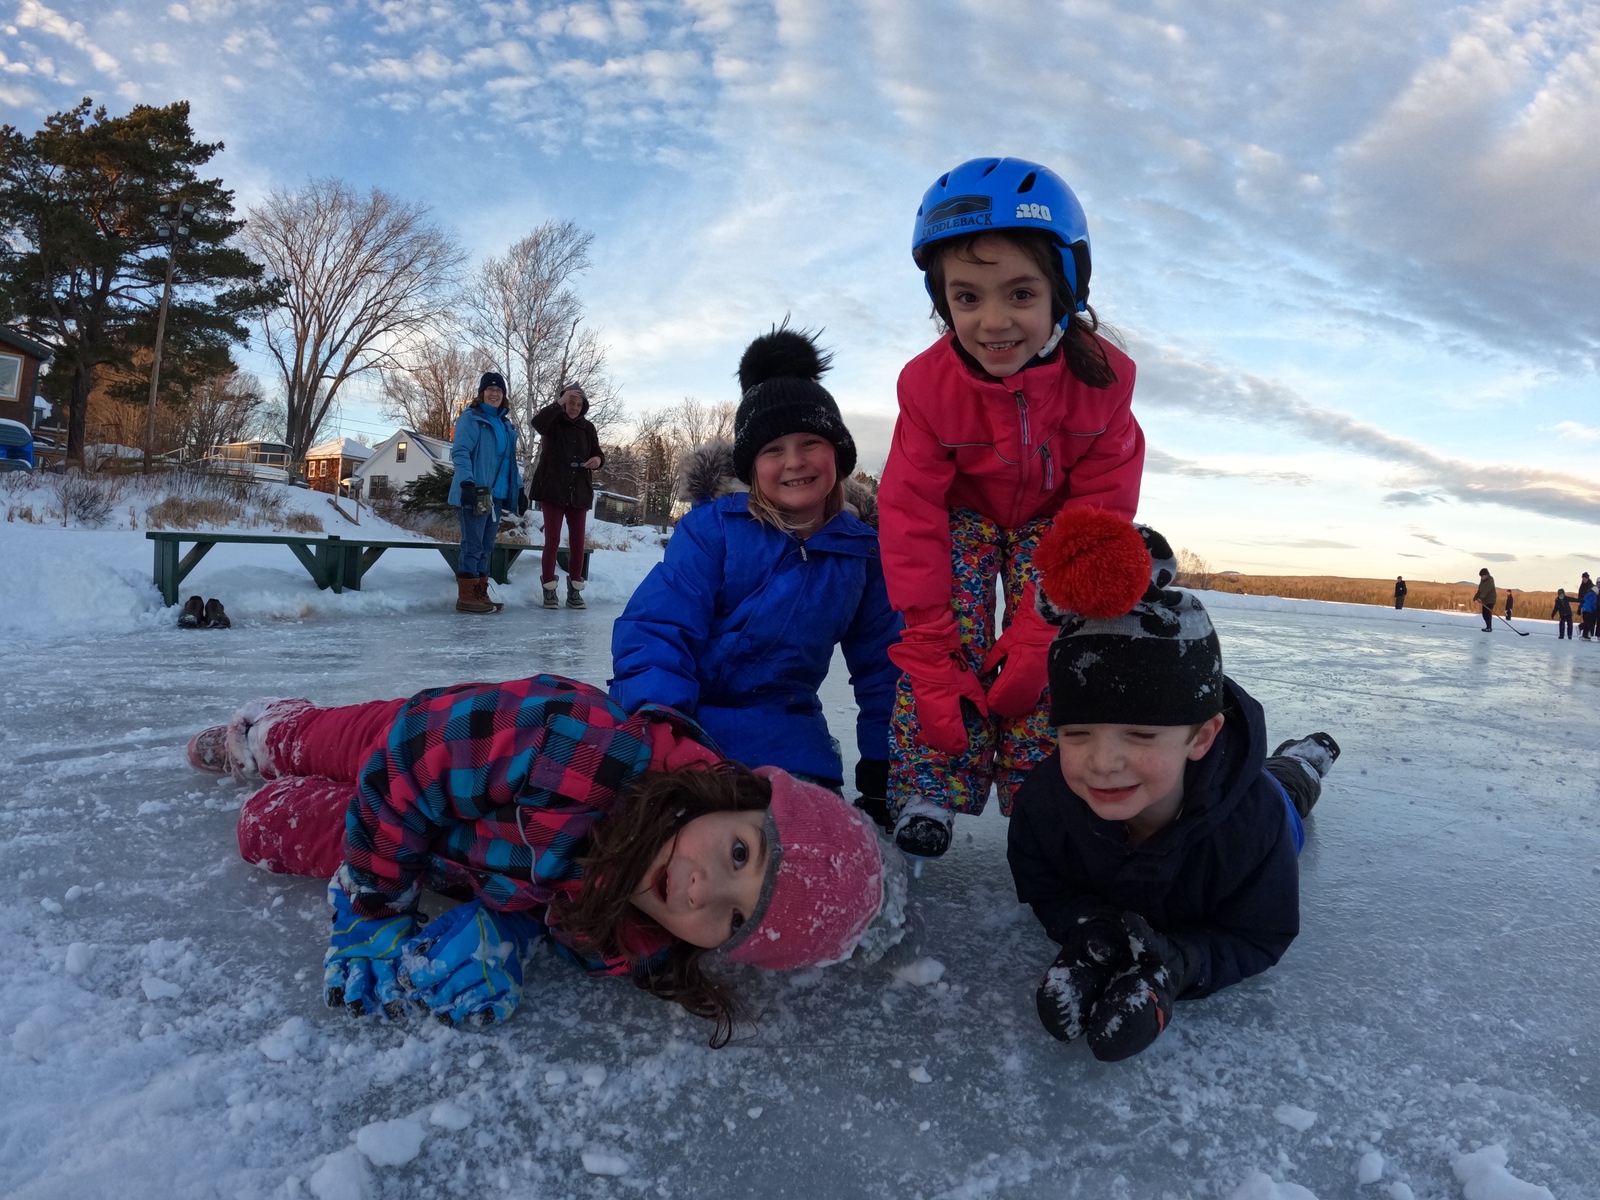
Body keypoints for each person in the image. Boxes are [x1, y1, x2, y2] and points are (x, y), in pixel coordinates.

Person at [182, 675, 907, 1045]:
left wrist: (510, 930)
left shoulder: (639, 936)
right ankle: (262, 730)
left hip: (445, 854)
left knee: (262, 830)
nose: (699, 890)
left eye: (733, 917)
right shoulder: (585, 745)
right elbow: (407, 763)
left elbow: (560, 911)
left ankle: (285, 785)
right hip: (426, 752)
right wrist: (372, 904)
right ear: (733, 796)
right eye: (738, 853)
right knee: (315, 745)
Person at [877, 156, 1144, 860]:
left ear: (1064, 288)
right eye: (967, 298)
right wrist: (933, 655)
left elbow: (1100, 514)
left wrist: (1038, 632)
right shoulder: (927, 387)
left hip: (1058, 526)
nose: (993, 321)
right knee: (949, 607)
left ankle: (1041, 784)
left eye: (1019, 293)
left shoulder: (1106, 384)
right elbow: (909, 515)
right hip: (960, 517)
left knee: (1061, 635)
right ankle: (932, 780)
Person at [1005, 509, 1339, 1062]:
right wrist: (1089, 930)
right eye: (1077, 733)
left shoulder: (1252, 825)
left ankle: (1306, 759)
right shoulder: (1046, 802)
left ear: (1202, 736)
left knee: (1287, 787)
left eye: (1139, 734)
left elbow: (1259, 936)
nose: (1103, 763)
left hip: (1260, 797)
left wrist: (1181, 962)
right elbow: (1047, 889)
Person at [610, 326, 901, 818]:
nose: (794, 462)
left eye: (811, 442)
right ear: (751, 466)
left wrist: (888, 765)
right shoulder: (713, 530)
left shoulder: (861, 554)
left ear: (839, 453)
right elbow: (658, 629)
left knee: (798, 849)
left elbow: (885, 664)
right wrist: (662, 729)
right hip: (688, 721)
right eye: (772, 450)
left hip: (786, 732)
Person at [449, 372, 522, 616]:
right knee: (473, 544)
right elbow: (460, 452)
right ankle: (467, 596)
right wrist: (466, 483)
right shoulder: (471, 418)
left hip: (496, 496)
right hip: (475, 492)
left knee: (486, 545)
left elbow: (510, 462)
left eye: (499, 391)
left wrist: (519, 489)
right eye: (490, 389)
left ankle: (480, 592)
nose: (494, 394)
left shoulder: (505, 426)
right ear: (482, 393)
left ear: (504, 396)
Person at [527, 384, 604, 610]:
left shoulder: (588, 428)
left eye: (579, 404)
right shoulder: (553, 421)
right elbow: (537, 423)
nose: (575, 407)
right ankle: (549, 590)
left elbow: (598, 453)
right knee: (552, 540)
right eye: (571, 402)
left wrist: (598, 461)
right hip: (553, 489)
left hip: (579, 491)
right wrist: (559, 403)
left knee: (578, 542)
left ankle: (575, 591)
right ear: (563, 401)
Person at [1473, 568, 1496, 633]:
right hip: (1485, 600)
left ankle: (1489, 627)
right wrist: (1476, 596)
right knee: (1484, 614)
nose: (1481, 577)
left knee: (1488, 613)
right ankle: (1487, 627)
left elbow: (1487, 590)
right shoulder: (1482, 581)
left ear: (1486, 575)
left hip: (1490, 600)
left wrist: (1481, 597)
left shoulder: (1490, 580)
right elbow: (1480, 589)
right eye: (1481, 576)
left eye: (1482, 576)